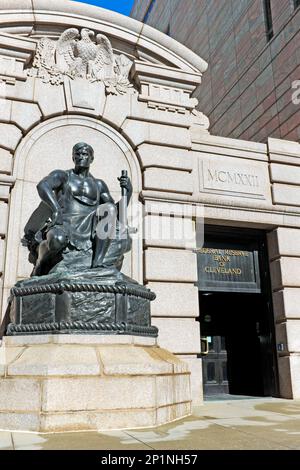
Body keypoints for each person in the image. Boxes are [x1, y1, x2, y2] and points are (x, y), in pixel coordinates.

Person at [29, 142, 132, 276]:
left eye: (85, 154)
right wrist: (56, 209)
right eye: (77, 154)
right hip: (65, 222)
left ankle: (97, 263)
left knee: (109, 209)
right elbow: (43, 186)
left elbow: (115, 212)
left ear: (91, 158)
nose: (81, 157)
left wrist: (127, 193)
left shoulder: (99, 184)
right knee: (57, 240)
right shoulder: (63, 176)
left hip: (89, 224)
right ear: (73, 157)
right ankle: (40, 258)